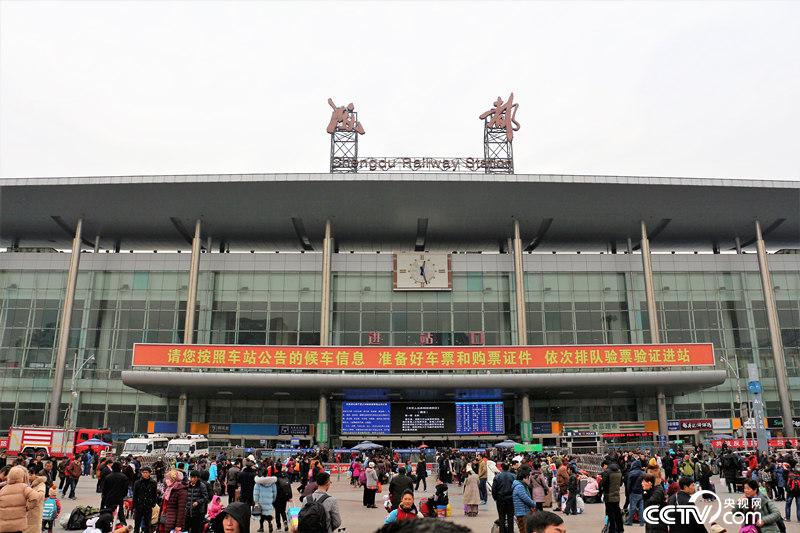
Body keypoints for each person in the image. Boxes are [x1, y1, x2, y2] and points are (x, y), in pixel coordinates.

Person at [0, 465, 45, 533]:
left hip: (4, 526)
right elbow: (36, 498)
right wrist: (27, 507)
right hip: (19, 525)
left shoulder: (3, 489)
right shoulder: (24, 487)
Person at [101, 462, 129, 526]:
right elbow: (125, 489)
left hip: (109, 497)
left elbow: (104, 489)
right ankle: (123, 524)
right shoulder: (124, 477)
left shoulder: (108, 477)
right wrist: (123, 495)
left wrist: (104, 496)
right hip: (119, 497)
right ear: (120, 468)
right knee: (120, 511)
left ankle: (108, 523)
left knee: (108, 511)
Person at [132, 466, 158, 533]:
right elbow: (134, 495)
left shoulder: (153, 483)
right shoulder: (137, 483)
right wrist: (134, 506)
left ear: (149, 473)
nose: (144, 474)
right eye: (143, 472)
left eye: (146, 472)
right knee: (137, 524)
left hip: (148, 506)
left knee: (147, 524)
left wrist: (153, 504)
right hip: (139, 505)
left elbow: (154, 494)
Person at [492, 462, 515, 533]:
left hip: (500, 499)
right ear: (509, 468)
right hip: (511, 499)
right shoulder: (513, 476)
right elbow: (515, 488)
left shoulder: (497, 477)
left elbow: (494, 489)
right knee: (510, 518)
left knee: (501, 517)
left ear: (501, 468)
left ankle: (502, 531)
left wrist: (495, 498)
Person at [601, 460, 624, 533]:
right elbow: (620, 484)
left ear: (605, 465)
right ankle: (620, 528)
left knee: (610, 514)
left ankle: (612, 530)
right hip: (616, 495)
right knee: (617, 513)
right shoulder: (619, 471)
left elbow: (603, 483)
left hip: (608, 496)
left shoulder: (607, 472)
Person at [513, 468, 537, 533]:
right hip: (522, 513)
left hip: (523, 512)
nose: (529, 480)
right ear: (524, 478)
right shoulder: (519, 486)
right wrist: (534, 504)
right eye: (528, 477)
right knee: (524, 530)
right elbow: (526, 498)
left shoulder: (521, 485)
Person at [272, 464, 292, 531]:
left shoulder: (275, 475)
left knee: (277, 511)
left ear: (276, 468)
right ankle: (285, 522)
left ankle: (279, 526)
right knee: (283, 511)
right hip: (285, 495)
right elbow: (289, 485)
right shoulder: (286, 475)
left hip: (277, 496)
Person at [626, 460, 645, 526]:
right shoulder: (643, 473)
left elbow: (629, 484)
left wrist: (629, 492)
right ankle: (642, 522)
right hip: (641, 492)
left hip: (633, 492)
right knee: (641, 507)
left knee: (632, 507)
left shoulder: (631, 473)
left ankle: (630, 521)